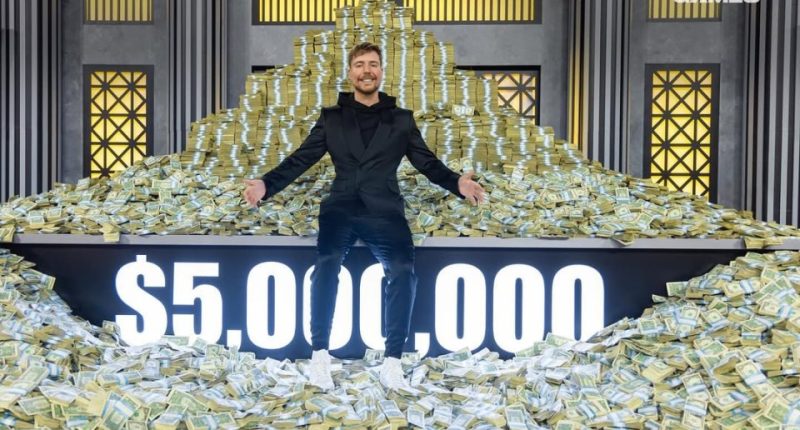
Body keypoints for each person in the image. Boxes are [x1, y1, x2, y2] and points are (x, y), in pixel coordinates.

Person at [243, 42, 485, 391]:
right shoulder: (331, 118)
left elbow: (426, 162)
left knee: (402, 270)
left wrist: (457, 182)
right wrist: (267, 184)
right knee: (326, 264)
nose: (366, 71)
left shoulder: (401, 119)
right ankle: (320, 356)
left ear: (382, 72)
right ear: (350, 72)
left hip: (384, 211)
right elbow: (302, 158)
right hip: (341, 207)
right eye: (359, 65)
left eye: (373, 64)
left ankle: (392, 362)